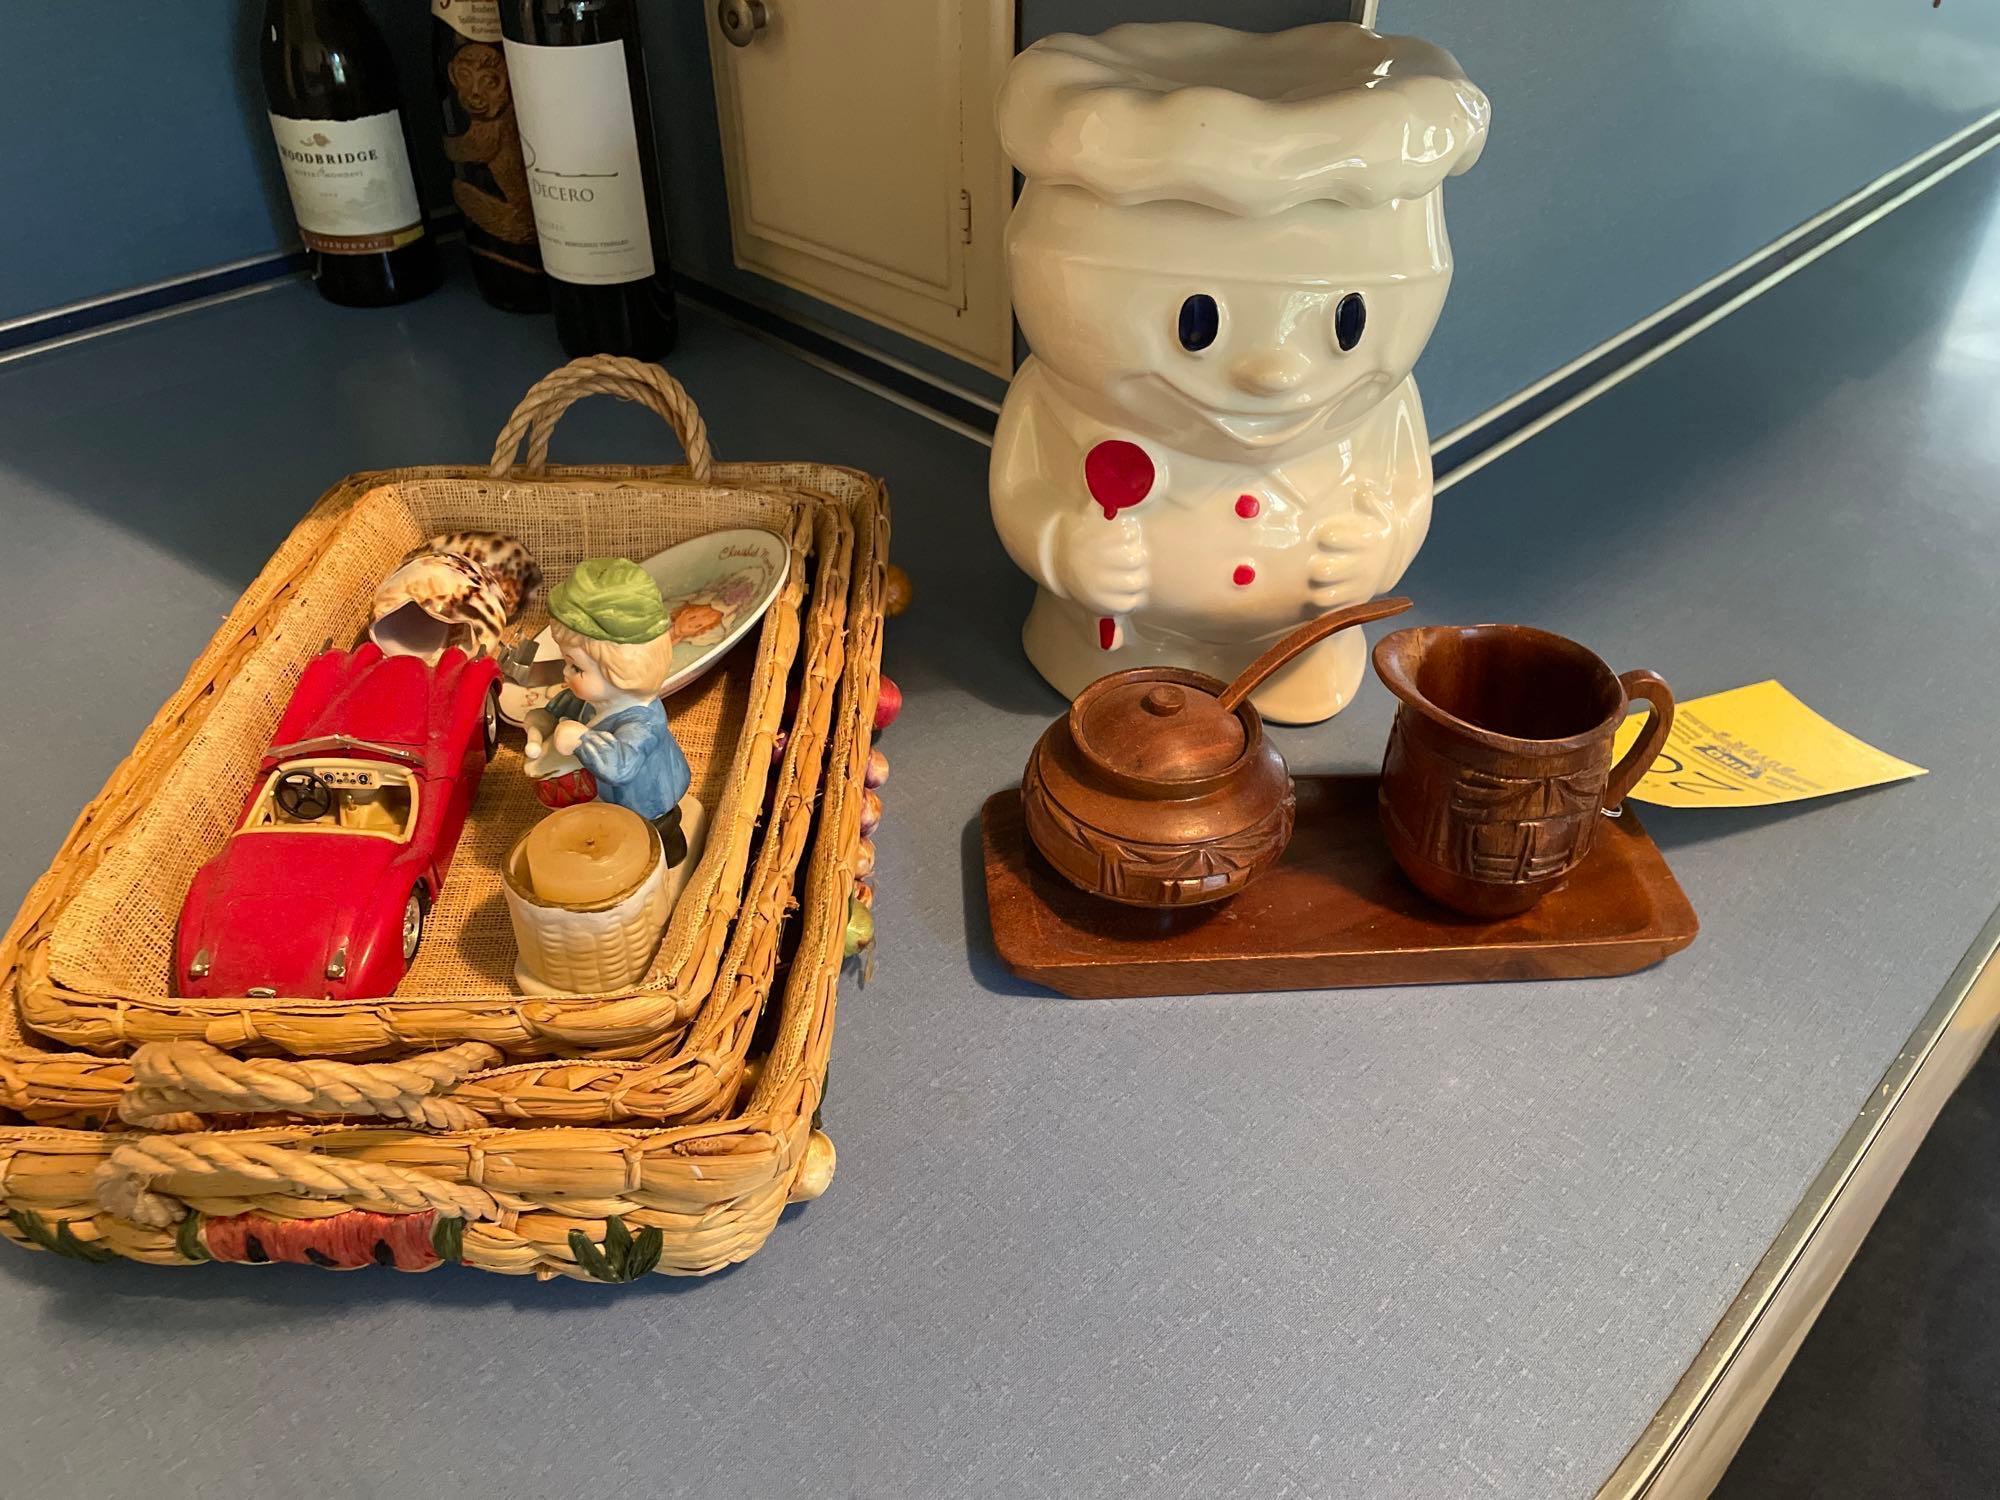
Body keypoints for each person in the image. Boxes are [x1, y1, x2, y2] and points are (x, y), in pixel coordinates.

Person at [523, 558, 692, 865]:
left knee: (660, 836)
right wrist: (543, 719)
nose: (565, 672)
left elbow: (621, 766)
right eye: (566, 662)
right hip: (612, 803)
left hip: (648, 798)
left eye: (576, 667)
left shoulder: (643, 720)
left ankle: (672, 861)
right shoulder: (598, 698)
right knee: (621, 840)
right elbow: (571, 705)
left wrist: (580, 741)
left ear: (622, 671)